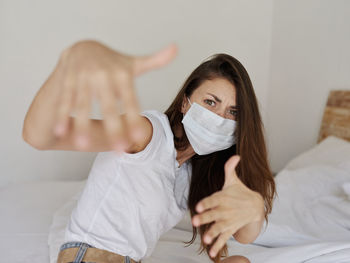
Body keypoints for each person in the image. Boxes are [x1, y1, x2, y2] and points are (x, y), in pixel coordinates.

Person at [22, 39, 276, 263]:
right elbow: (39, 135)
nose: (220, 118)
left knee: (239, 262)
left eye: (233, 112)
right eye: (210, 102)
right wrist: (73, 62)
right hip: (91, 256)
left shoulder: (192, 170)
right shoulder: (146, 133)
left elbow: (245, 235)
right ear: (186, 103)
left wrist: (254, 205)